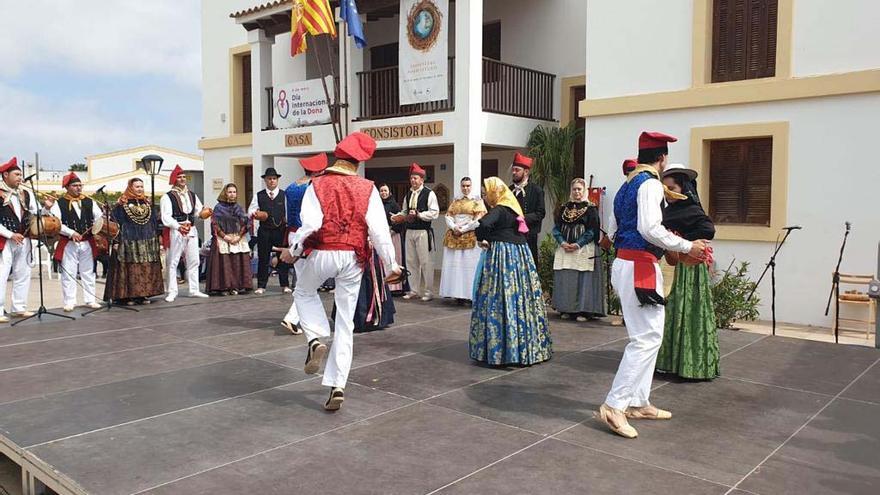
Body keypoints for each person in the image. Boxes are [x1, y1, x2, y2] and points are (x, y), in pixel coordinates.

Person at [597, 131, 709, 439]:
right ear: (662, 159)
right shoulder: (649, 184)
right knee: (645, 339)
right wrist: (686, 247)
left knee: (649, 335)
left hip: (627, 264)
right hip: (640, 266)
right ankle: (614, 405)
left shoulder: (626, 186)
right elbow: (649, 228)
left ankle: (638, 402)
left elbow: (612, 227)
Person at [282, 132, 400, 411]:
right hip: (354, 257)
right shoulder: (367, 188)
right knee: (346, 323)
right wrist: (391, 264)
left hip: (323, 252)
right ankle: (338, 384)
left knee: (304, 291)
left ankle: (315, 338)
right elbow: (380, 232)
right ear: (358, 163)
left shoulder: (318, 184)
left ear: (337, 156)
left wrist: (294, 250)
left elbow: (310, 224)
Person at [469, 177, 552, 366]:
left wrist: (483, 238)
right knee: (521, 296)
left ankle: (501, 347)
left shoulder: (499, 209)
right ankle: (524, 345)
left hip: (502, 255)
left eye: (487, 191)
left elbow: (483, 224)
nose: (485, 195)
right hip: (520, 253)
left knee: (499, 297)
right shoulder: (514, 208)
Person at [655, 164, 719, 380]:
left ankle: (692, 364)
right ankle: (670, 362)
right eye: (665, 188)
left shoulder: (692, 210)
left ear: (683, 189)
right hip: (671, 266)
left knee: (690, 311)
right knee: (671, 310)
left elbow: (708, 230)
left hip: (689, 270)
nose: (669, 193)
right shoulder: (666, 211)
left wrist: (684, 242)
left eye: (672, 187)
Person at [281, 153, 328, 334]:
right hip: (305, 236)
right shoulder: (313, 186)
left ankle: (294, 318)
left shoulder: (291, 187)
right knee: (309, 282)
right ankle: (293, 318)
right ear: (317, 172)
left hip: (293, 233)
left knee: (304, 280)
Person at [43, 172, 103, 311]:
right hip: (69, 243)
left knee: (88, 272)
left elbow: (99, 218)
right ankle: (70, 301)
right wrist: (71, 232)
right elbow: (57, 223)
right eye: (75, 185)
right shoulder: (59, 204)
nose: (78, 188)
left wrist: (96, 229)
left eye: (80, 185)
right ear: (67, 187)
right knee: (69, 272)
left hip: (87, 242)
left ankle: (90, 299)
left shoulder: (89, 201)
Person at [104, 178, 164, 305]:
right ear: (131, 187)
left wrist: (158, 238)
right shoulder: (121, 205)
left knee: (144, 268)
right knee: (130, 269)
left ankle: (142, 295)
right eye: (137, 187)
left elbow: (154, 222)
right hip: (128, 242)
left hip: (146, 242)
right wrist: (115, 241)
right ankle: (127, 297)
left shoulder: (147, 203)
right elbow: (115, 224)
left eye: (141, 186)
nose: (140, 189)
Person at [552, 178, 604, 321]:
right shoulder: (563, 208)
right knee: (566, 278)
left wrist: (578, 244)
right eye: (574, 189)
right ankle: (566, 309)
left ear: (584, 190)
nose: (576, 192)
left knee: (583, 280)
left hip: (583, 248)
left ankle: (583, 311)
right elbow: (556, 228)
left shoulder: (591, 209)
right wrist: (562, 242)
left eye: (579, 189)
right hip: (565, 248)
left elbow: (592, 231)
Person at [391, 163, 439, 301]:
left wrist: (420, 215)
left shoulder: (429, 193)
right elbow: (405, 210)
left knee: (426, 262)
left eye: (416, 178)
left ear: (422, 180)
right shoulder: (408, 193)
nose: (413, 181)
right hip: (410, 231)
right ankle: (414, 290)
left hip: (423, 231)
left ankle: (429, 291)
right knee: (411, 261)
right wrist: (398, 216)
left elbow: (434, 213)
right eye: (412, 178)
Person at [161, 165, 208, 302]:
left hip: (191, 229)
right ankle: (172, 291)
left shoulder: (192, 195)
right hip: (177, 230)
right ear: (174, 179)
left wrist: (205, 213)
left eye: (183, 177)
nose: (182, 179)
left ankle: (194, 290)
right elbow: (166, 217)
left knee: (194, 260)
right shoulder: (167, 197)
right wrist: (177, 226)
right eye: (179, 177)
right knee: (173, 261)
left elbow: (198, 211)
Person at [0, 157, 36, 322]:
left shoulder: (25, 193)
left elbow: (35, 212)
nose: (20, 178)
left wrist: (47, 208)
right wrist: (10, 234)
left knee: (23, 273)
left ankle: (19, 307)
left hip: (24, 238)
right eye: (17, 174)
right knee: (2, 275)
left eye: (21, 175)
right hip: (5, 240)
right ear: (5, 175)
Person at [439, 177, 486, 303]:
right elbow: (448, 216)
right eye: (463, 186)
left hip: (469, 236)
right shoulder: (455, 202)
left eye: (468, 186)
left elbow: (478, 220)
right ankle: (457, 294)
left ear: (471, 186)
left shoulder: (477, 202)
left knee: (468, 268)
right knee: (456, 267)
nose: (465, 188)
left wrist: (463, 229)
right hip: (454, 235)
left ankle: (469, 295)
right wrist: (454, 227)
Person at [248, 167, 291, 295]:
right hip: (265, 230)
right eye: (269, 179)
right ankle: (261, 285)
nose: (272, 181)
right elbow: (251, 210)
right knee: (263, 257)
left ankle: (285, 284)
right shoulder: (259, 195)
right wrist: (255, 214)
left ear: (277, 180)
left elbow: (288, 212)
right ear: (265, 180)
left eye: (274, 179)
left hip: (280, 230)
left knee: (282, 258)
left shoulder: (284, 195)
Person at [204, 183, 252, 296]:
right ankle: (223, 287)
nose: (232, 194)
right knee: (224, 263)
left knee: (236, 262)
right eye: (230, 192)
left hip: (236, 237)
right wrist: (225, 237)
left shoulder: (238, 207)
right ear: (225, 193)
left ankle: (236, 286)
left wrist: (239, 236)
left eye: (234, 192)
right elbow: (214, 224)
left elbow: (246, 222)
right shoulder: (218, 208)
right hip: (223, 238)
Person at [509, 152, 545, 267]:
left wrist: (523, 218)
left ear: (526, 172)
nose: (514, 172)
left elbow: (540, 213)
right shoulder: (508, 191)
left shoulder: (536, 190)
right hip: (510, 235)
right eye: (513, 170)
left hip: (529, 236)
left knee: (529, 266)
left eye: (517, 170)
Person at [379, 183, 408, 295]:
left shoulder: (394, 205)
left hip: (393, 235)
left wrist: (392, 230)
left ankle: (396, 286)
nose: (383, 193)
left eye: (385, 190)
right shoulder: (377, 205)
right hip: (381, 236)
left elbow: (401, 220)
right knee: (384, 260)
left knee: (394, 258)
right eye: (381, 191)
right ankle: (385, 285)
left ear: (389, 192)